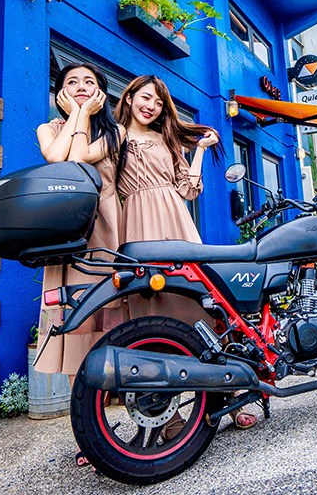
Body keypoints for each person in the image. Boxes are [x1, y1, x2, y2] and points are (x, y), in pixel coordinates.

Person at [114, 75, 257, 430]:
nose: (151, 106)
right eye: (145, 98)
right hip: (138, 228)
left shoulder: (166, 138)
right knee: (150, 314)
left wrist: (201, 150)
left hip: (176, 224)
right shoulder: (114, 137)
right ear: (129, 98)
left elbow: (187, 190)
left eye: (159, 102)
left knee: (202, 306)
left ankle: (234, 394)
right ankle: (170, 418)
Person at [33, 63, 127, 450]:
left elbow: (80, 158)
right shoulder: (47, 128)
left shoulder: (114, 130)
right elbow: (58, 158)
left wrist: (85, 116)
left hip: (104, 226)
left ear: (102, 91)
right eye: (72, 82)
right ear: (60, 91)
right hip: (67, 231)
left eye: (90, 82)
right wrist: (77, 113)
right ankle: (88, 432)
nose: (81, 86)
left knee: (107, 314)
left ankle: (120, 402)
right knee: (73, 322)